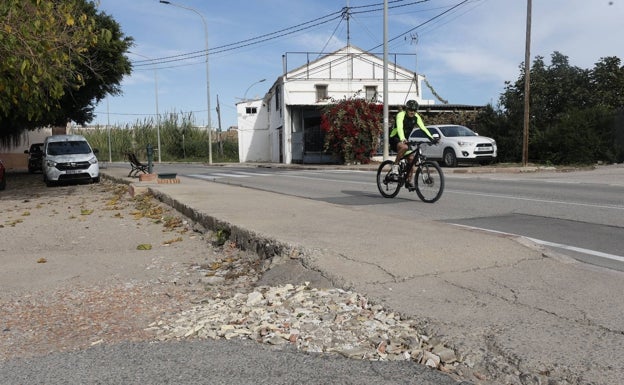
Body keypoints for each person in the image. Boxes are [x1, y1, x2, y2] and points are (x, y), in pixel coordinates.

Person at [389, 100, 437, 189]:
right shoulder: (401, 115)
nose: (413, 112)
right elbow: (399, 128)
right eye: (411, 110)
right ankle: (395, 167)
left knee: (411, 160)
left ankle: (408, 181)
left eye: (415, 110)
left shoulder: (416, 117)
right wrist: (403, 138)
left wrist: (432, 138)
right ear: (407, 109)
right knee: (404, 147)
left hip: (405, 140)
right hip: (395, 138)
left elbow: (423, 128)